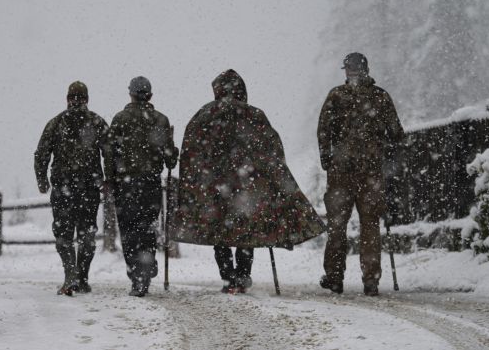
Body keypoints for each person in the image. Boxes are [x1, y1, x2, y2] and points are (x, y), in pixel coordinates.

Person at [172, 69, 325, 294]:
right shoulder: (254, 115)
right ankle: (243, 275)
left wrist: (195, 181)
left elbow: (190, 151)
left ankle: (228, 277)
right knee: (245, 231)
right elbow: (272, 150)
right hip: (247, 185)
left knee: (219, 231)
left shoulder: (204, 115)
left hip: (216, 186)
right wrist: (271, 176)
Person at [317, 52, 404, 296]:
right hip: (371, 173)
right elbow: (397, 133)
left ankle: (334, 277)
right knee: (370, 226)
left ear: (348, 70)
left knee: (337, 226)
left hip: (341, 173)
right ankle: (371, 280)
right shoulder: (380, 97)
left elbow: (324, 130)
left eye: (349, 68)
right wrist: (387, 154)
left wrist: (327, 158)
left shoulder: (336, 96)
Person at [35, 81, 110, 296]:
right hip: (89, 187)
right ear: (87, 99)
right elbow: (110, 153)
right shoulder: (97, 122)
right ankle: (82, 278)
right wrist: (108, 180)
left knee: (63, 233)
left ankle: (71, 276)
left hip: (63, 187)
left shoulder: (56, 122)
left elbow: (41, 154)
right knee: (86, 232)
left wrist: (42, 180)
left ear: (68, 98)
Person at [108, 76, 178, 297]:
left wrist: (109, 180)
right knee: (147, 229)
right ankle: (146, 266)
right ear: (150, 95)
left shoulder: (120, 120)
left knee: (129, 232)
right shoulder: (161, 120)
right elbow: (170, 162)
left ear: (130, 94)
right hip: (150, 185)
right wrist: (171, 149)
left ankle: (137, 275)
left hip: (126, 186)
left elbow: (110, 154)